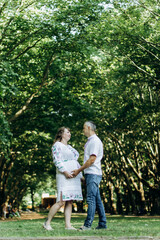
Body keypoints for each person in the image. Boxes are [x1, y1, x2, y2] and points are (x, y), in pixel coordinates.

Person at [43, 127, 83, 231]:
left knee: (69, 201)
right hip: (63, 175)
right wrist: (65, 172)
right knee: (61, 201)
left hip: (73, 176)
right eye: (67, 132)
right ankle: (47, 223)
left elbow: (75, 161)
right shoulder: (57, 145)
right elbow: (57, 160)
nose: (70, 134)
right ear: (61, 134)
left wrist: (80, 174)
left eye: (70, 132)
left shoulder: (69, 147)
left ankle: (68, 225)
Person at [72, 121, 107, 230]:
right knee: (97, 199)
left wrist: (79, 170)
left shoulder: (95, 141)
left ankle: (87, 225)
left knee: (91, 198)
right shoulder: (90, 141)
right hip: (90, 173)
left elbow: (92, 159)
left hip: (93, 173)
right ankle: (102, 224)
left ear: (88, 128)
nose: (83, 130)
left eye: (84, 128)